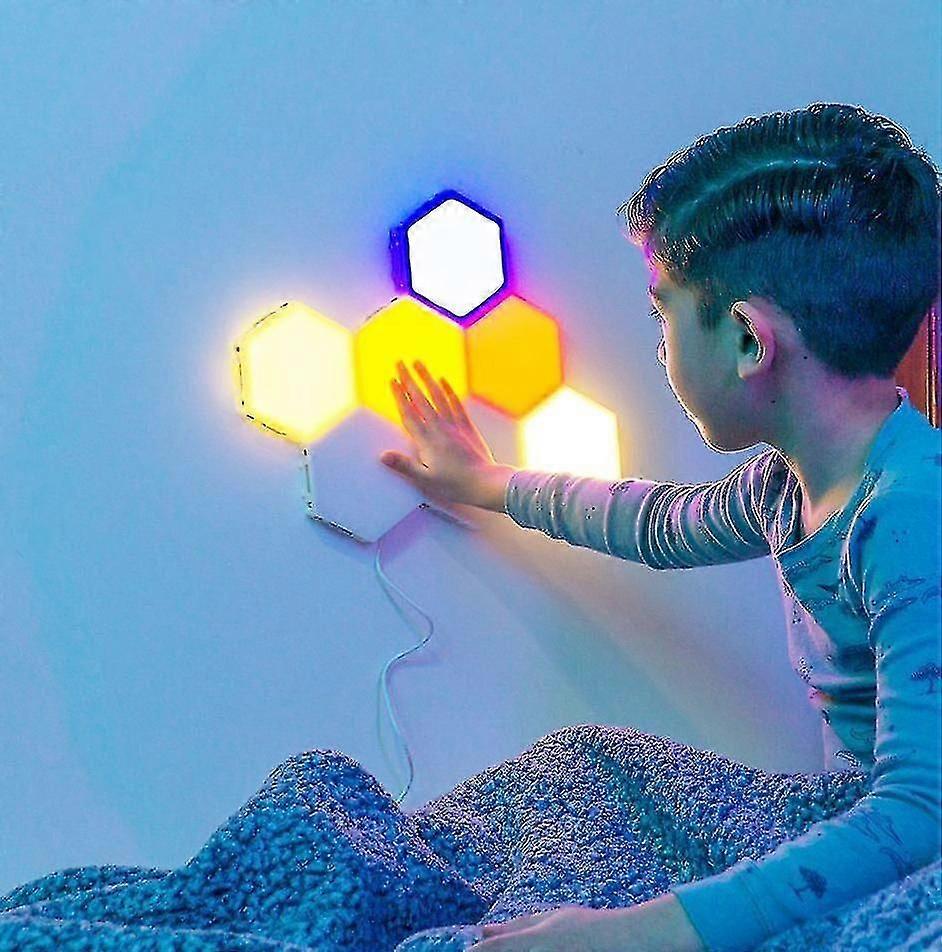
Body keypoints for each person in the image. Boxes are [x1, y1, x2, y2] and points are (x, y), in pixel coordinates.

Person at [379, 102, 942, 951]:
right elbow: (657, 524)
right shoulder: (783, 489)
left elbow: (919, 817)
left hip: (911, 873)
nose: (659, 345)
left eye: (663, 313)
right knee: (585, 768)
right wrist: (485, 483)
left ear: (747, 341)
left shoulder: (909, 511)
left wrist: (635, 933)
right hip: (850, 826)